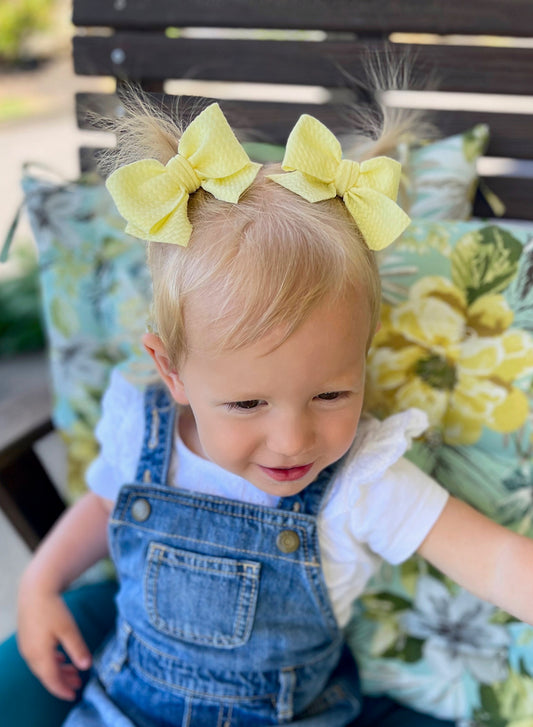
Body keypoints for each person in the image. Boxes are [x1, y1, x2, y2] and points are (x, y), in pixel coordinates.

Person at [15, 97, 533, 727]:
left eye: (331, 394)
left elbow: (499, 560)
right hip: (121, 710)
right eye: (246, 403)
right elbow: (102, 505)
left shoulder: (363, 482)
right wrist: (39, 585)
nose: (292, 440)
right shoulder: (143, 434)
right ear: (172, 371)